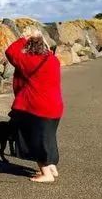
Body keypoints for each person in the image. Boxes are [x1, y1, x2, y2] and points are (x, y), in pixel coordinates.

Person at [5, 34, 63, 184]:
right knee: (48, 138)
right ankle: (52, 167)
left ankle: (46, 174)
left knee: (35, 140)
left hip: (36, 108)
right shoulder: (53, 60)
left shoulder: (28, 61)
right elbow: (48, 51)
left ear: (29, 49)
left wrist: (23, 38)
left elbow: (10, 52)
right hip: (55, 107)